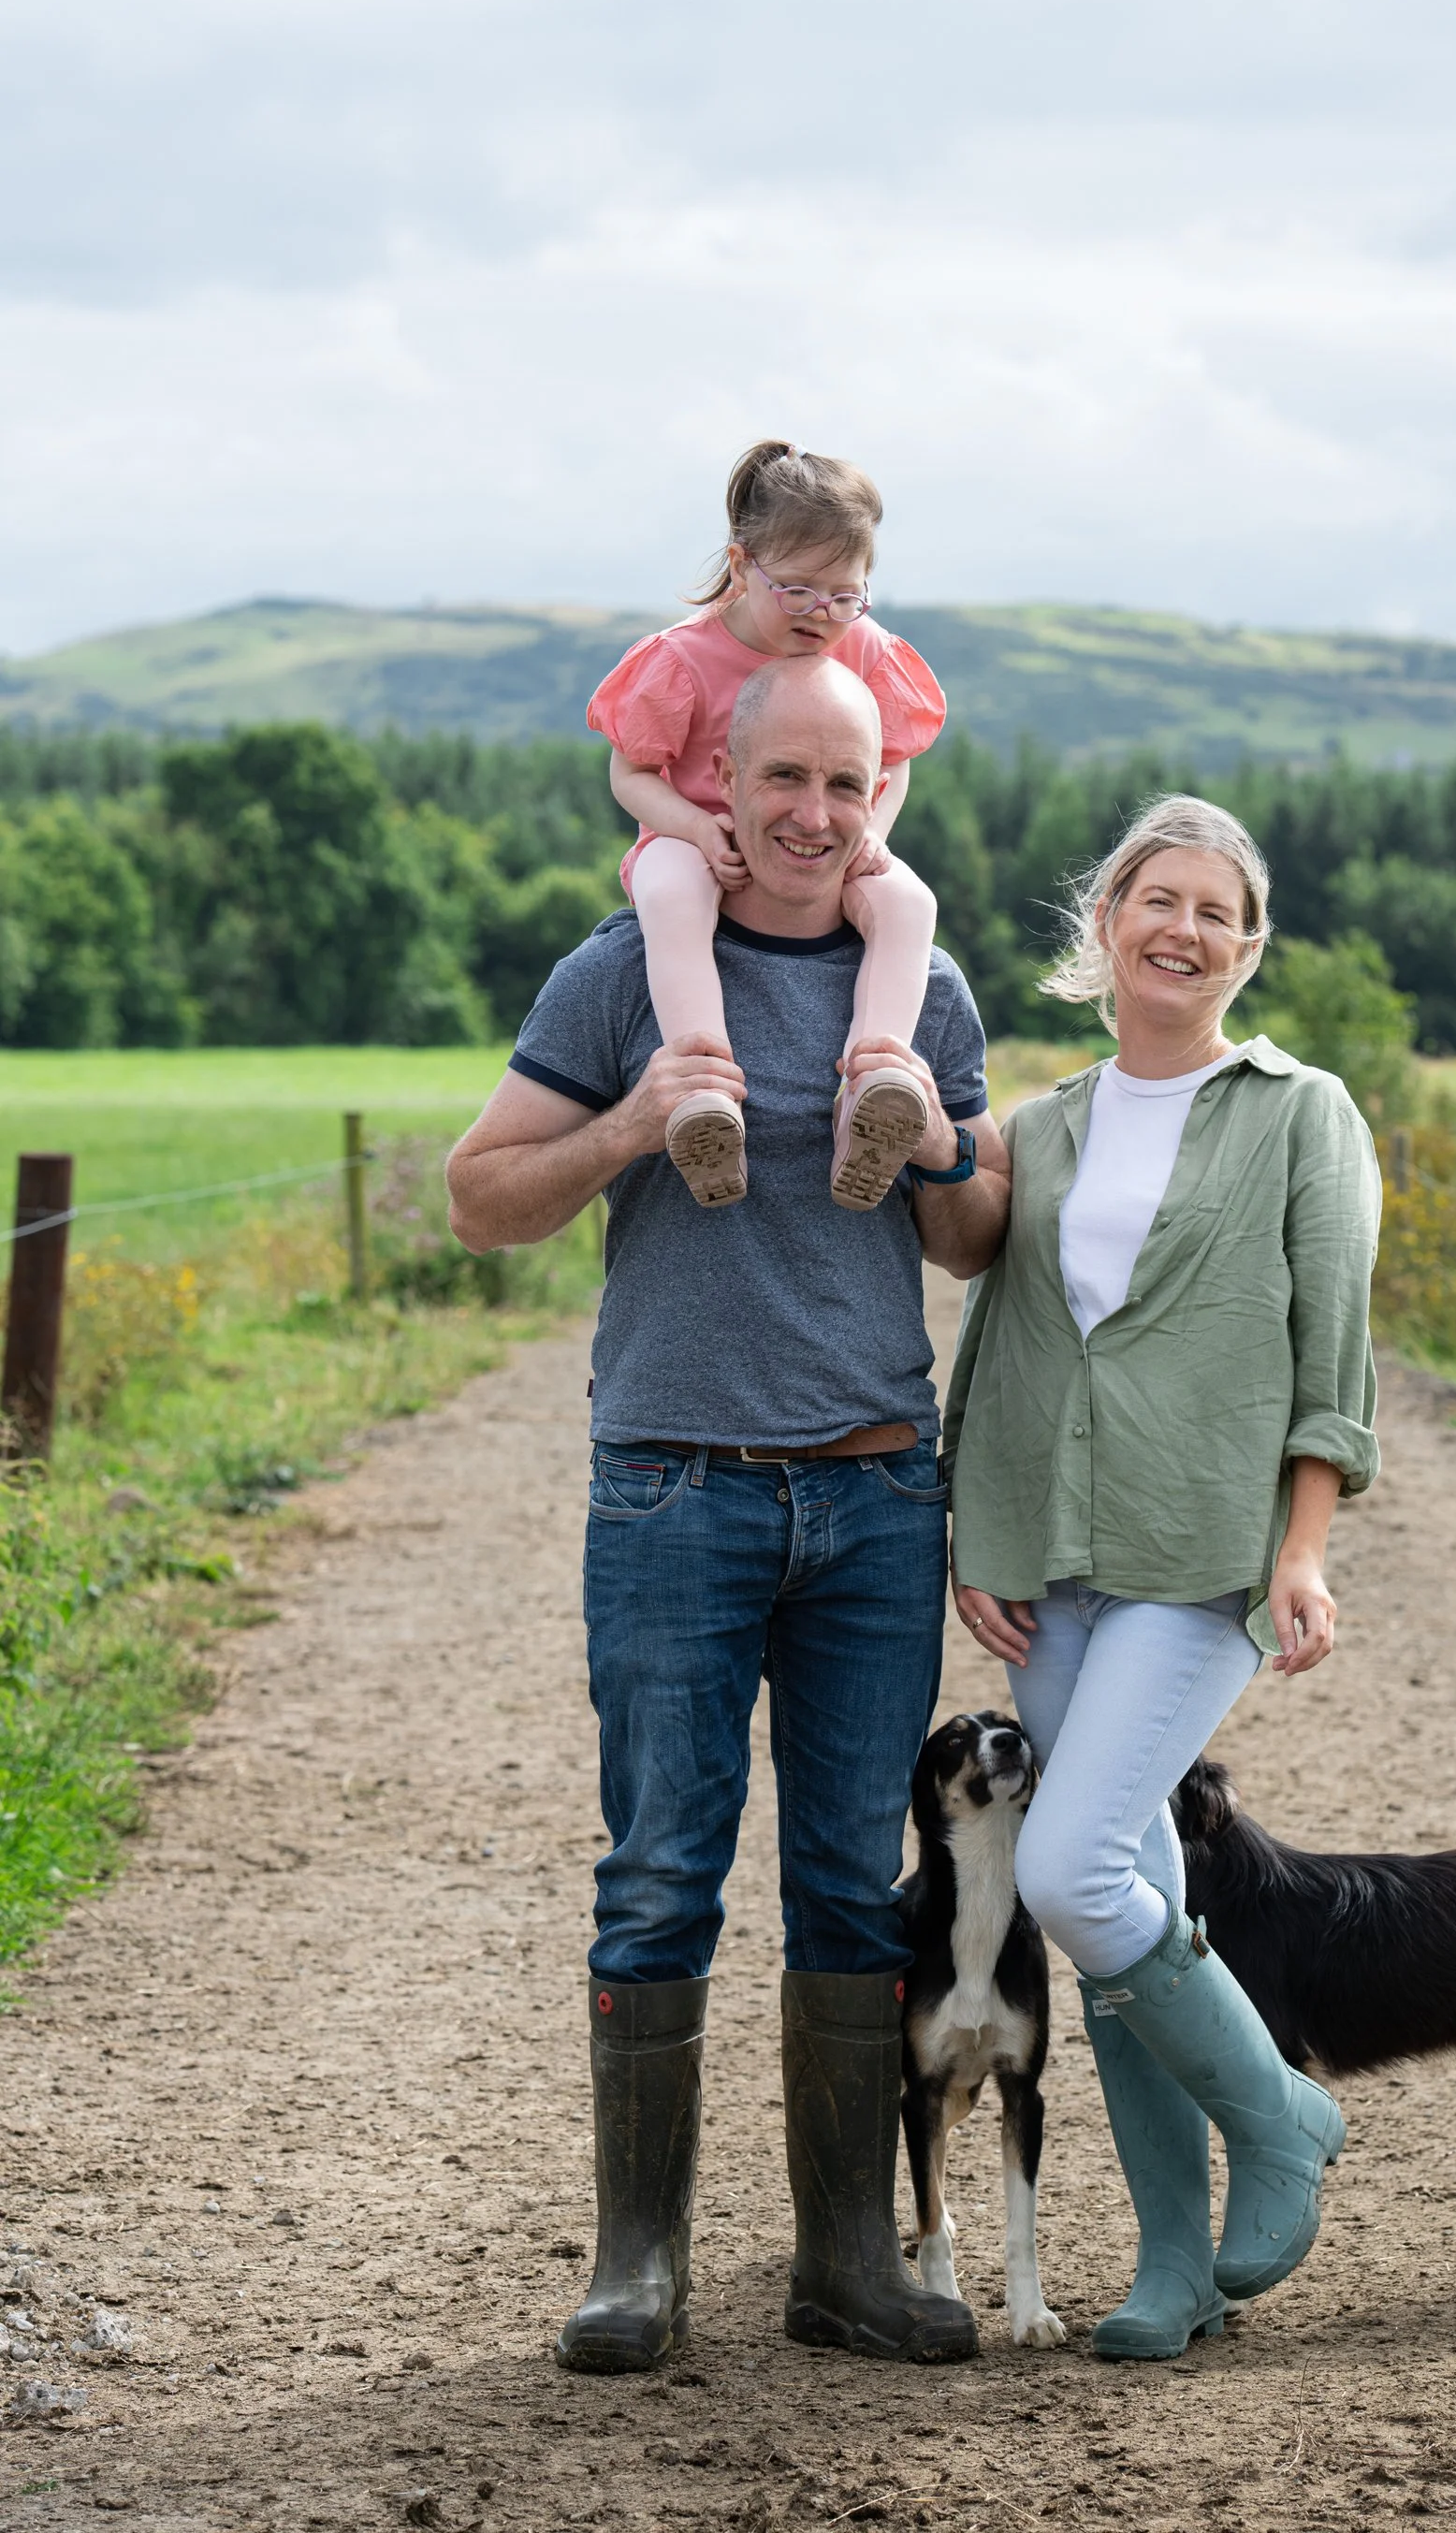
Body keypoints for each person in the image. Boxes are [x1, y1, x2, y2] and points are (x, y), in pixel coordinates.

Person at [446, 654, 1011, 2373]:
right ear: (725, 778)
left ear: (879, 796)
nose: (816, 820)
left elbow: (974, 1240)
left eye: (849, 788)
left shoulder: (924, 985)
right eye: (786, 783)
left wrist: (917, 1139)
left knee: (850, 1885)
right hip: (676, 1487)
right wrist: (634, 1116)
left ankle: (846, 2260)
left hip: (870, 1489)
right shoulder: (626, 970)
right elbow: (480, 1200)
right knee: (659, 1877)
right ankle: (640, 2267)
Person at [944, 794, 1382, 2363]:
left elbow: (1332, 1349)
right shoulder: (1047, 1123)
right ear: (1107, 923)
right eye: (1158, 899)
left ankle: (1277, 2120)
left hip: (1201, 1560)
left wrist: (1307, 1546)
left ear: (1247, 949)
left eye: (1217, 910)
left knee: (1068, 1871)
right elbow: (1002, 1341)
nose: (1183, 929)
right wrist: (966, 1528)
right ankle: (1173, 2270)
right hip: (1047, 1564)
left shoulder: (1300, 1111)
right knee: (1135, 1891)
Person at [593, 439, 946, 1213]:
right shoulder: (681, 659)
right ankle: (701, 1090)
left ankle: (874, 1085)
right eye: (798, 591)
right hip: (698, 842)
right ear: (743, 561)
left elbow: (897, 756)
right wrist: (691, 826)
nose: (823, 616)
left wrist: (875, 834)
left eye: (845, 596)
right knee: (674, 898)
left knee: (908, 905)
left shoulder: (867, 650)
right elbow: (629, 772)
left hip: (819, 850)